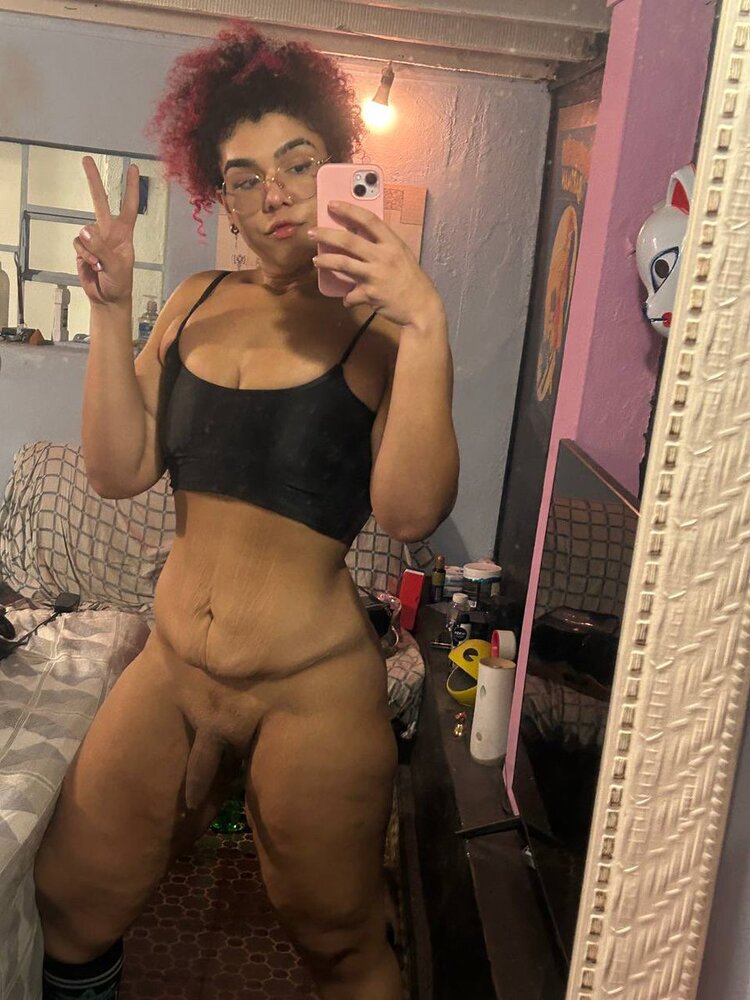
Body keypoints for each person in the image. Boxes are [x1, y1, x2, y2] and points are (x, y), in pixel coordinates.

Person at [34, 20, 458, 1000]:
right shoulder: (191, 301)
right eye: (244, 176)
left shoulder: (385, 325)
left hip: (312, 691)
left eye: (299, 164)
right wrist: (110, 308)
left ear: (339, 168)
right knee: (68, 899)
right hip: (174, 666)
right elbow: (117, 470)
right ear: (217, 195)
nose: (275, 194)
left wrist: (427, 323)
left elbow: (410, 511)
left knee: (342, 947)